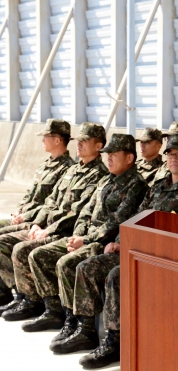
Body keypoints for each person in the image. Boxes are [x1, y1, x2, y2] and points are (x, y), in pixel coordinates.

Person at [62, 134, 178, 368]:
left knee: (116, 276)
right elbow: (137, 217)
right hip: (136, 248)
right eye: (170, 154)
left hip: (164, 255)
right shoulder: (159, 186)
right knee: (86, 266)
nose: (174, 159)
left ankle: (115, 341)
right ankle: (86, 329)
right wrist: (121, 240)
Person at [19, 134, 147, 352]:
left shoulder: (136, 185)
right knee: (40, 255)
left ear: (129, 158)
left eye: (114, 155)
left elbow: (117, 220)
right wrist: (76, 236)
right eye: (108, 154)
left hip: (103, 242)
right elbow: (87, 211)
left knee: (69, 264)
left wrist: (85, 240)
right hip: (84, 238)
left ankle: (85, 329)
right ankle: (64, 317)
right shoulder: (106, 180)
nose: (109, 159)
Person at [0, 123, 108, 318]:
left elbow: (77, 212)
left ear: (98, 145)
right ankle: (24, 297)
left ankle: (44, 306)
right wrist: (37, 223)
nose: (80, 144)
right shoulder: (73, 170)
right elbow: (51, 201)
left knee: (24, 250)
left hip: (63, 231)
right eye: (79, 140)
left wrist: (48, 230)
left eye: (85, 141)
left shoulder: (99, 174)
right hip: (47, 225)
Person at [0, 119, 75, 305]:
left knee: (3, 241)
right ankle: (5, 288)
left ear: (57, 140)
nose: (42, 140)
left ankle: (19, 292)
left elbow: (50, 204)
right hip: (26, 217)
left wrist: (27, 217)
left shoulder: (67, 169)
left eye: (46, 137)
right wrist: (19, 210)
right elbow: (31, 195)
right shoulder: (46, 165)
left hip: (38, 220)